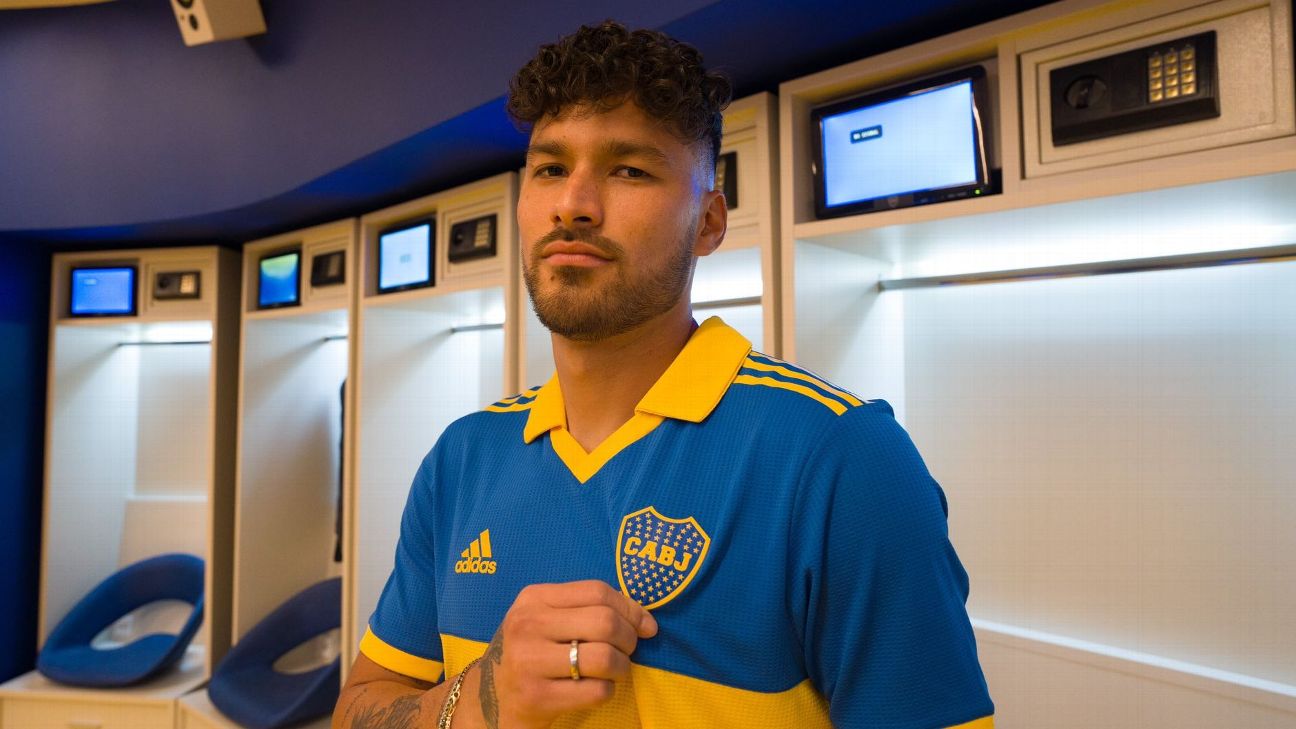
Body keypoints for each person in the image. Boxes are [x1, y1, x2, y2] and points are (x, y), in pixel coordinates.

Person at [333, 20, 994, 729]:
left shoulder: (842, 460)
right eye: (550, 169)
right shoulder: (460, 459)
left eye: (629, 170)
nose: (573, 204)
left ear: (708, 222)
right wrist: (478, 701)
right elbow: (357, 706)